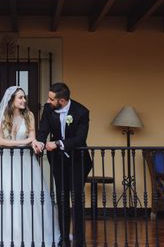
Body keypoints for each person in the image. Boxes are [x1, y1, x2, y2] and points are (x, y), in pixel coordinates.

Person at [0, 86, 60, 247]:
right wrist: (24, 142)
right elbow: (0, 142)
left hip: (25, 162)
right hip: (6, 162)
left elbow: (32, 136)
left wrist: (35, 143)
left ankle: (29, 237)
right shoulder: (1, 116)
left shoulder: (29, 115)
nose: (24, 100)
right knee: (5, 195)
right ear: (12, 100)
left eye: (24, 97)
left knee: (28, 197)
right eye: (20, 97)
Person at [32, 82, 92, 247]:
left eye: (51, 98)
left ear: (63, 100)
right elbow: (43, 129)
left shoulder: (81, 112)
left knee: (77, 199)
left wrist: (57, 143)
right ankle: (64, 239)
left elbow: (80, 139)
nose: (48, 100)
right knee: (62, 197)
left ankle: (79, 240)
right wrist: (40, 143)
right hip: (58, 161)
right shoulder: (48, 108)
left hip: (79, 161)